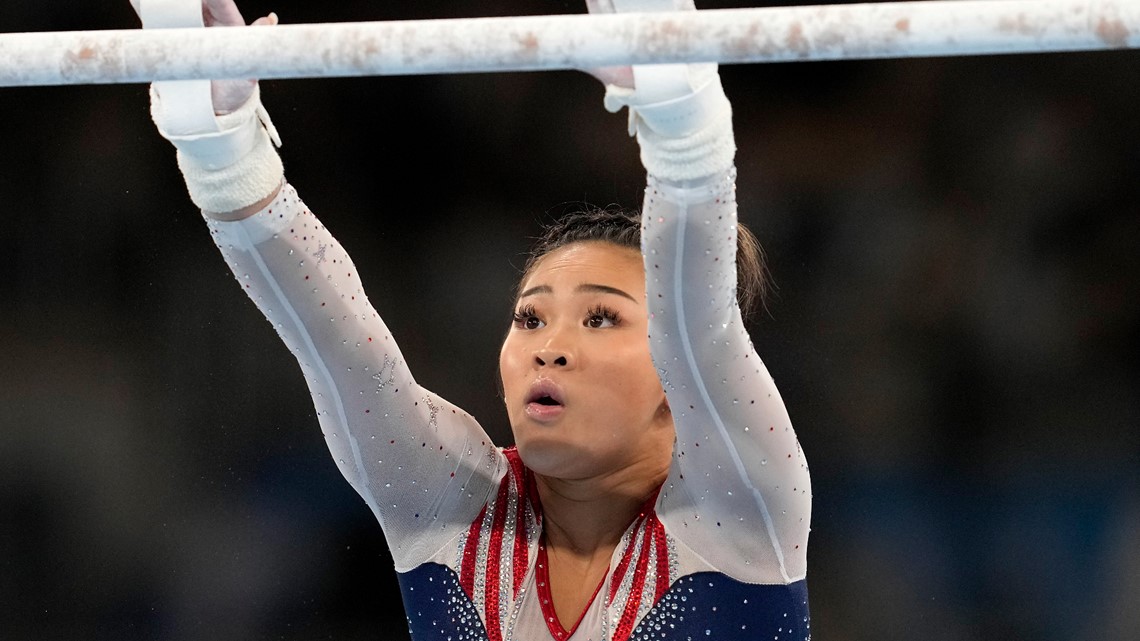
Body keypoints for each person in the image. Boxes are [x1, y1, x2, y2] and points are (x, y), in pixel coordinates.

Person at [136, 0, 811, 638]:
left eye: (601, 318)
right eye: (531, 318)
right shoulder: (454, 512)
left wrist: (683, 130)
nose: (550, 348)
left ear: (676, 376)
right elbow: (340, 345)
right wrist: (222, 154)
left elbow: (699, 326)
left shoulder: (740, 511)